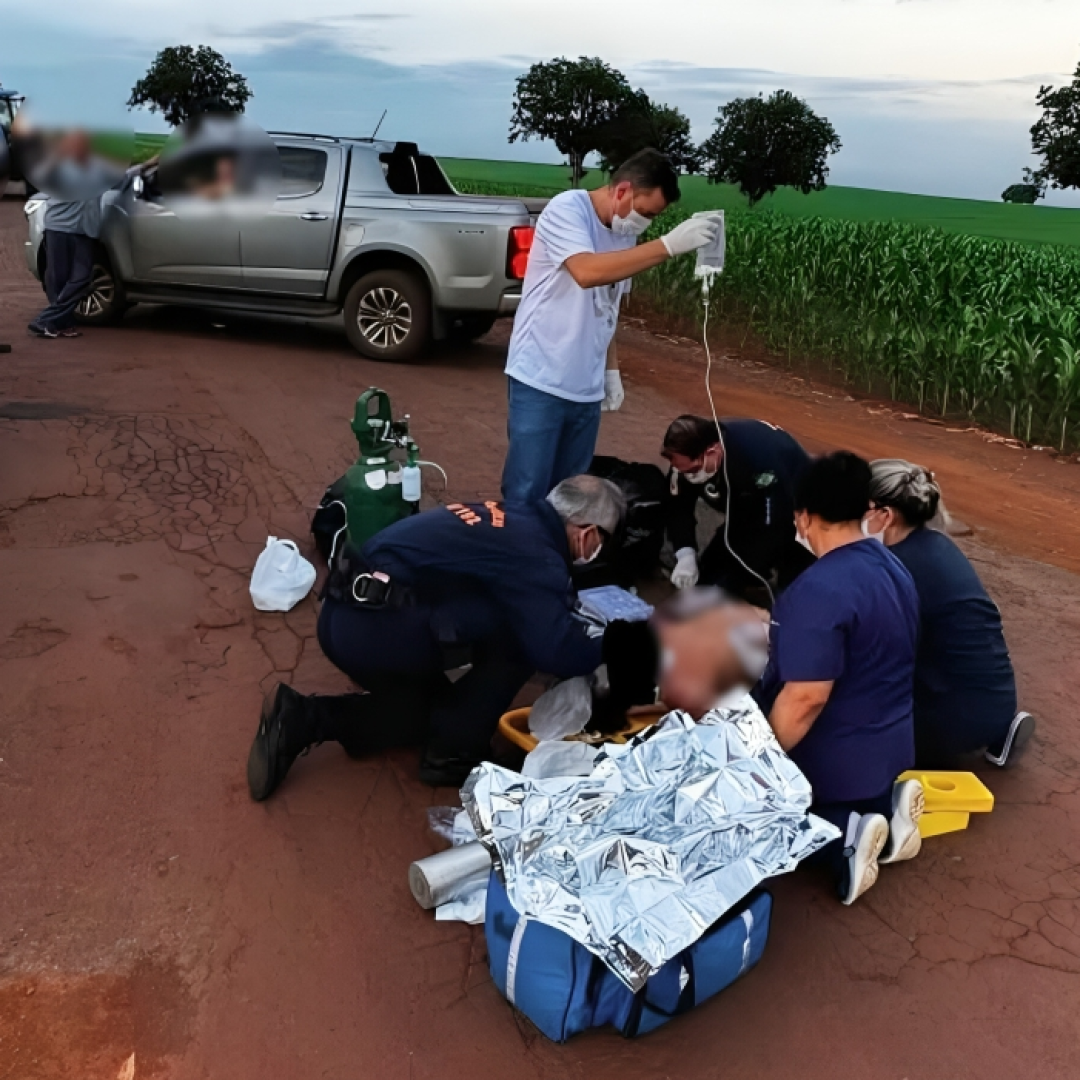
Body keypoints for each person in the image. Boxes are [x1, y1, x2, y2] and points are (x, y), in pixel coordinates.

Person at [246, 475, 627, 799]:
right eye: (602, 543)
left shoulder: (514, 518)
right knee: (520, 637)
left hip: (347, 613)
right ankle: (454, 754)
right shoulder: (538, 554)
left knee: (423, 716)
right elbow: (555, 648)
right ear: (588, 533)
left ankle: (303, 718)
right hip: (378, 629)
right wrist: (624, 650)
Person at [501, 149, 720, 505]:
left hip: (584, 390)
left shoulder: (623, 232)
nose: (644, 223)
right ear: (622, 191)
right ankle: (518, 555)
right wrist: (667, 246)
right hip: (541, 377)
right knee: (527, 492)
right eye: (645, 213)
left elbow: (608, 307)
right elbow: (588, 272)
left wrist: (610, 370)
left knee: (568, 497)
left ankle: (561, 559)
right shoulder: (567, 210)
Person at [753, 452, 924, 905]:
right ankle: (887, 808)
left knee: (752, 819)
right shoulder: (893, 567)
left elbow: (806, 698)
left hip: (837, 758)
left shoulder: (819, 590)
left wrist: (758, 765)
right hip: (890, 744)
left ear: (805, 517)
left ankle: (842, 839)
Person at [865, 459, 1034, 768]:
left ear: (884, 515)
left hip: (944, 723)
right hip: (996, 699)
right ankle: (996, 729)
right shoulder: (938, 546)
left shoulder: (893, 569)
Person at [662, 415, 814, 604]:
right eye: (681, 471)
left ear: (713, 451)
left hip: (796, 504)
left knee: (793, 594)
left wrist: (738, 577)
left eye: (693, 471)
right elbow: (678, 507)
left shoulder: (758, 460)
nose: (688, 477)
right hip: (746, 501)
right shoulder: (684, 460)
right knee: (706, 580)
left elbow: (771, 527)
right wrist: (685, 554)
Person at [27, 129, 121, 339]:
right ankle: (58, 323)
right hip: (60, 227)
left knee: (81, 278)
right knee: (58, 279)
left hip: (84, 230)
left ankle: (48, 320)